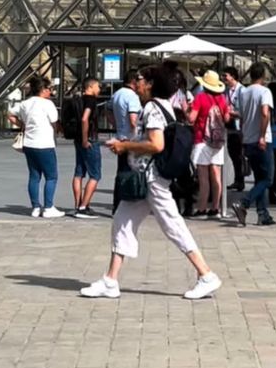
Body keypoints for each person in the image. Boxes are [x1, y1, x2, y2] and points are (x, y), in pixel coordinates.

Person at [80, 65, 222, 301]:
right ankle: (110, 280)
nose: (137, 83)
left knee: (173, 226)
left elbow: (156, 144)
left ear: (152, 84)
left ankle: (206, 275)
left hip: (151, 179)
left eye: (141, 80)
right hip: (147, 180)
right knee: (122, 223)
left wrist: (125, 147)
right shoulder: (163, 106)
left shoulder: (152, 108)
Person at [9, 75, 63, 218]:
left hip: (29, 143)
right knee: (51, 176)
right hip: (45, 143)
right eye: (49, 89)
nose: (50, 92)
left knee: (34, 176)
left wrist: (23, 125)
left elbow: (10, 114)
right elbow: (54, 121)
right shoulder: (47, 104)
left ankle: (35, 207)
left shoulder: (25, 104)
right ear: (43, 89)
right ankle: (48, 207)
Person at [231, 62, 275, 226]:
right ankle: (244, 202)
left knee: (259, 178)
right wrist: (262, 136)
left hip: (248, 139)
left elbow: (241, 117)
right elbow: (265, 113)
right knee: (268, 179)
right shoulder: (265, 91)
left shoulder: (244, 93)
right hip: (261, 140)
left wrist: (243, 137)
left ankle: (263, 214)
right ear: (263, 75)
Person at [187, 70, 231, 219]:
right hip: (218, 142)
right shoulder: (222, 99)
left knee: (203, 177)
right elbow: (226, 119)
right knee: (216, 175)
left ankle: (201, 209)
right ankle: (215, 208)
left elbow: (191, 119)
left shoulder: (200, 98)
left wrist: (186, 109)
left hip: (202, 140)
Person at [68, 79, 103, 218]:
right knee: (95, 175)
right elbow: (84, 119)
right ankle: (83, 207)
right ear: (91, 86)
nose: (99, 89)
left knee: (79, 173)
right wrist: (85, 139)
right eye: (98, 86)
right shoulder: (91, 100)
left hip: (77, 139)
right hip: (89, 140)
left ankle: (77, 205)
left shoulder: (77, 100)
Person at [222, 65, 246, 194]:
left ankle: (240, 179)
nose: (224, 78)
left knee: (239, 154)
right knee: (233, 153)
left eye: (226, 75)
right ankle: (238, 179)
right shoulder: (225, 91)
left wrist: (232, 113)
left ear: (233, 76)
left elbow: (244, 111)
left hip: (238, 125)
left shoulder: (242, 91)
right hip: (229, 125)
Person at [110, 74, 142, 141]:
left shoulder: (116, 94)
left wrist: (117, 126)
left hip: (119, 136)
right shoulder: (133, 96)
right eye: (139, 80)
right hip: (130, 139)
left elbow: (108, 112)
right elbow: (133, 121)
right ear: (134, 81)